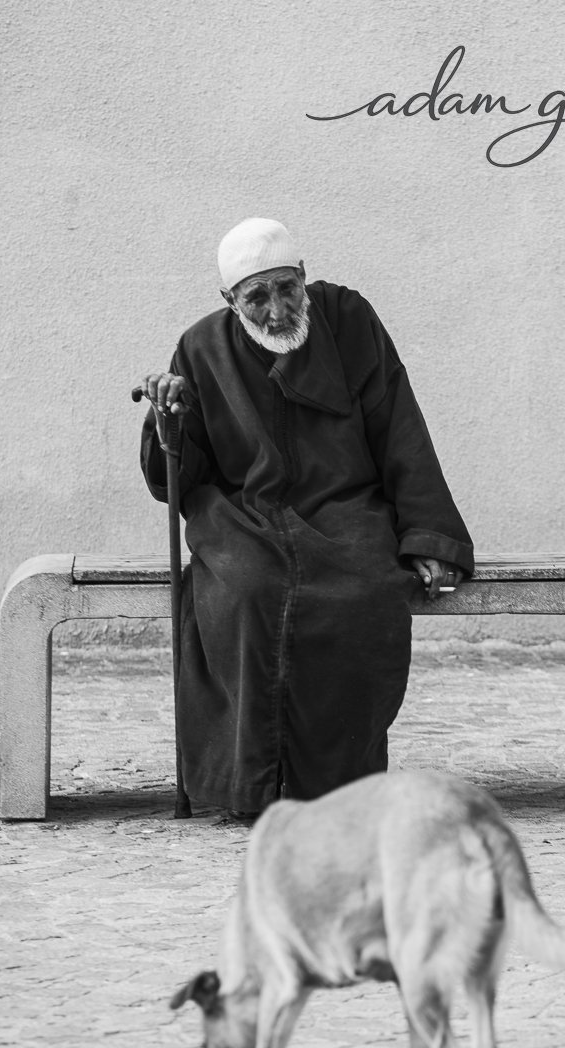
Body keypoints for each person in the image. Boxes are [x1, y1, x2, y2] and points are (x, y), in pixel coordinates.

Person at [139, 217, 474, 817]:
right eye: (256, 297)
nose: (276, 312)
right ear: (229, 300)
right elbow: (176, 479)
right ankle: (250, 785)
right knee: (244, 591)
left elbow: (398, 425)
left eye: (286, 289)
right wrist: (168, 421)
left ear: (302, 275)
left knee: (365, 594)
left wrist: (428, 536)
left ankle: (339, 787)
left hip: (346, 506)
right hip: (243, 515)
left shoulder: (348, 319)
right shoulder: (200, 348)